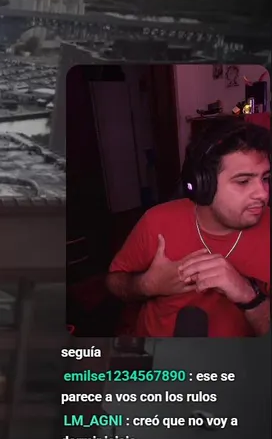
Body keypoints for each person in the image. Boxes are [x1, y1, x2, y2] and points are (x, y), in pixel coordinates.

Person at [106, 120, 269, 337]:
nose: (263, 194)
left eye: (266, 178)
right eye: (243, 181)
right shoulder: (157, 221)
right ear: (203, 184)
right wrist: (146, 285)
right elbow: (114, 282)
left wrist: (249, 295)